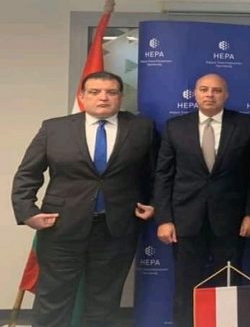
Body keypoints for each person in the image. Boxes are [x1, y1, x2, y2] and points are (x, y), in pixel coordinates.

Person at [11, 71, 157, 327]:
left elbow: (155, 173)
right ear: (82, 96)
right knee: (53, 298)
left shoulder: (141, 128)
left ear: (120, 97)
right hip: (61, 227)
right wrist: (28, 213)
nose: (103, 97)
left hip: (116, 229)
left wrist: (152, 202)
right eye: (95, 92)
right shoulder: (54, 128)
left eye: (111, 92)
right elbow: (27, 174)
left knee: (104, 302)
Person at [153, 73, 250, 327]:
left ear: (226, 95)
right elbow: (163, 176)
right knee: (186, 285)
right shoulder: (175, 126)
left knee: (228, 284)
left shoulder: (246, 125)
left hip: (232, 220)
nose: (210, 95)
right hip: (186, 220)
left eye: (216, 90)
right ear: (195, 94)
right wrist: (164, 219)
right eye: (204, 89)